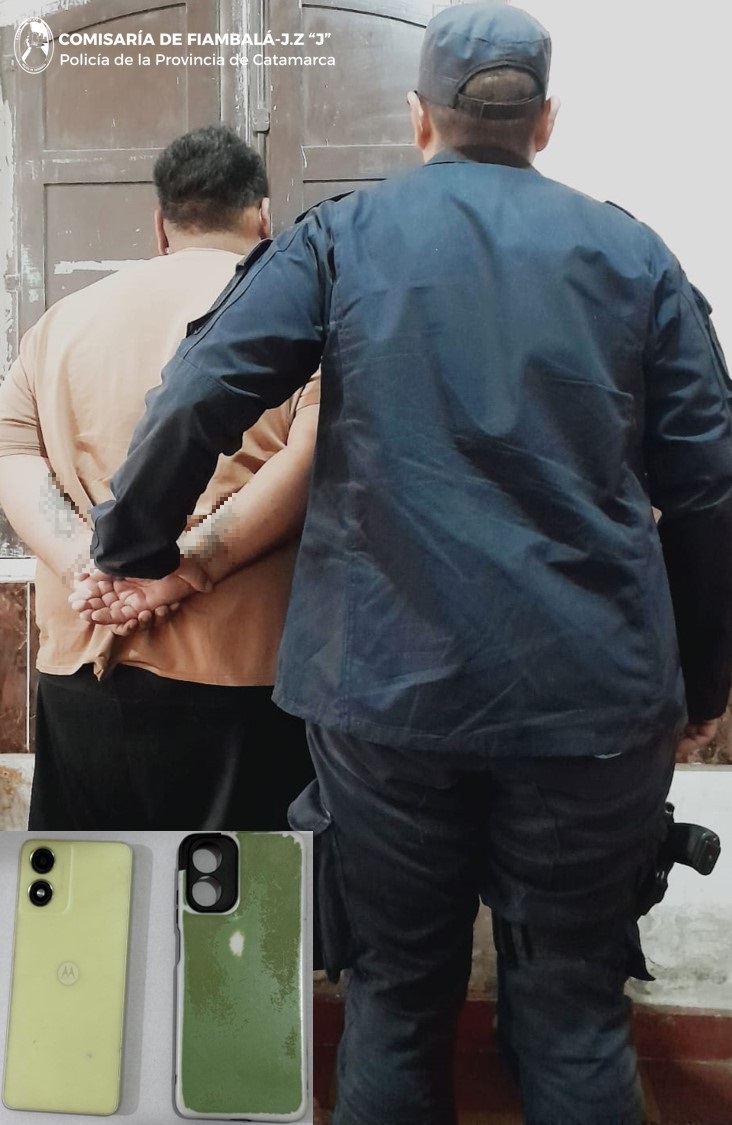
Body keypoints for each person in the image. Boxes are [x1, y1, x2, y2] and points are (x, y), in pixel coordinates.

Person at [73, 5, 732, 1122]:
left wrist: (131, 546)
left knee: (394, 998)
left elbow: (199, 392)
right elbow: (710, 487)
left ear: (418, 118)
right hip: (589, 702)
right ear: (546, 122)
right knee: (575, 1014)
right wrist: (704, 681)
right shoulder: (636, 256)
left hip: (386, 694)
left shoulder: (343, 239)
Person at [0, 125, 318, 831]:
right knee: (239, 898)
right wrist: (189, 565)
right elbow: (309, 458)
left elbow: (11, 450)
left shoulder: (60, 322)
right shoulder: (298, 320)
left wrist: (86, 562)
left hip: (81, 668)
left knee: (92, 894)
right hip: (242, 676)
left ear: (161, 225)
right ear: (264, 218)